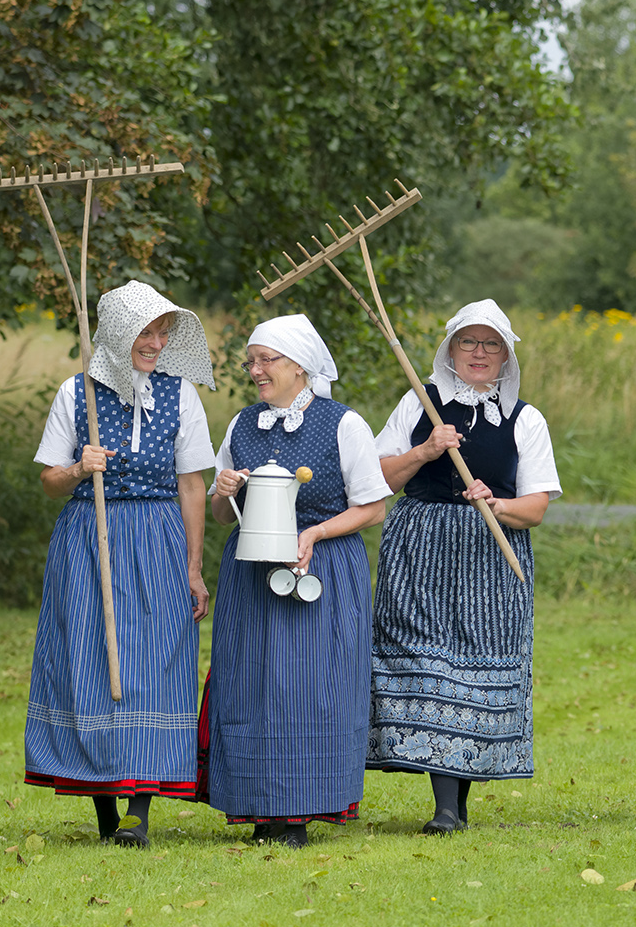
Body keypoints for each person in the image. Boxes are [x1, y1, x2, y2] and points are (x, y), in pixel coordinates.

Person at [23, 282, 216, 846]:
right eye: (144, 332)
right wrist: (80, 468)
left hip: (157, 536)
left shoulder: (180, 396)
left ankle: (140, 812)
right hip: (90, 536)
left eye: (162, 332)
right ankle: (106, 808)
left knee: (155, 663)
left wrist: (193, 567)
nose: (154, 343)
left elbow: (192, 486)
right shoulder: (74, 393)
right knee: (89, 661)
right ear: (113, 334)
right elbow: (49, 481)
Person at [368, 300, 563, 834]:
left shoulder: (526, 419)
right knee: (427, 661)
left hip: (491, 553)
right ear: (450, 350)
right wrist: (426, 451)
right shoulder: (419, 404)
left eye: (491, 344)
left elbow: (538, 507)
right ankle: (445, 808)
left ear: (506, 356)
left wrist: (497, 505)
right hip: (420, 546)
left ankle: (456, 801)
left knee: (477, 666)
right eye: (468, 343)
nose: (479, 353)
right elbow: (380, 479)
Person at [203, 314, 390, 847]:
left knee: (309, 687)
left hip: (321, 570)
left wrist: (314, 534)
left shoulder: (342, 423)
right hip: (251, 574)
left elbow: (372, 508)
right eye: (251, 362)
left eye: (267, 360)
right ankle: (258, 806)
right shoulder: (242, 425)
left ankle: (298, 810)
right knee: (253, 684)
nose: (256, 371)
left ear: (300, 366)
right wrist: (223, 491)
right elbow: (222, 516)